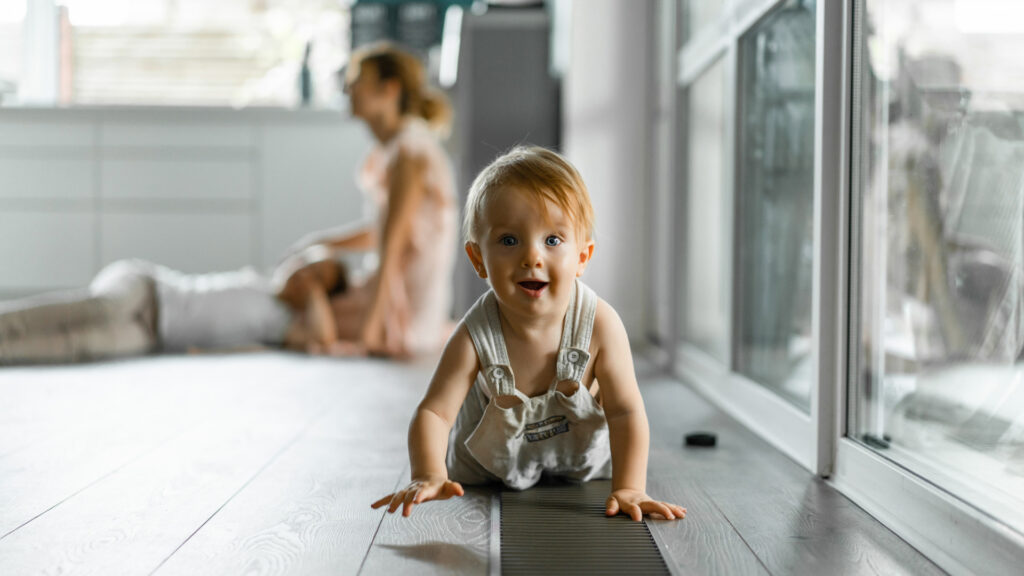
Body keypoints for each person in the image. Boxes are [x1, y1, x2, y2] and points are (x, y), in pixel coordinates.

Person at [370, 147, 687, 522]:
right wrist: (428, 472)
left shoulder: (600, 325)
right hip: (485, 476)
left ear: (582, 257)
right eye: (509, 241)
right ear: (477, 259)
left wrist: (631, 486)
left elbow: (625, 411)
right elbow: (435, 412)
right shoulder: (475, 334)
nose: (532, 257)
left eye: (552, 241)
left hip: (581, 469)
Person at [287, 42, 457, 358]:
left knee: (292, 312)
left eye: (357, 80)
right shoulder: (395, 149)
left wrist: (370, 332)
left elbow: (392, 245)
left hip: (406, 309)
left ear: (388, 90)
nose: (348, 88)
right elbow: (382, 231)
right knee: (297, 299)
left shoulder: (410, 153)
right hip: (391, 292)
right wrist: (323, 241)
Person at [0, 248, 346, 365]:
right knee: (99, 309)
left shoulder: (282, 323)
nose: (304, 274)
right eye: (307, 263)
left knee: (82, 345)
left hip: (151, 335)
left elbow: (325, 338)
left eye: (316, 278)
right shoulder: (261, 280)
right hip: (147, 288)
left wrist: (314, 294)